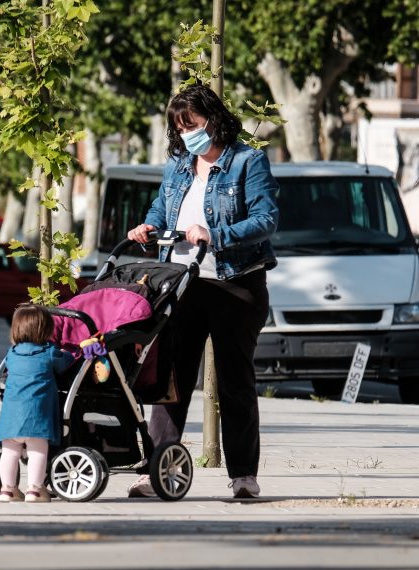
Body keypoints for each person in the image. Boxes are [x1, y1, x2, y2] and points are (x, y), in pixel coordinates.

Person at [126, 84, 279, 499]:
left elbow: (267, 219)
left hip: (235, 285)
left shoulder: (248, 162)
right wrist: (148, 226)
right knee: (169, 380)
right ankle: (158, 470)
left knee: (235, 380)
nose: (186, 133)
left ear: (213, 119)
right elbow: (162, 207)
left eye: (191, 124)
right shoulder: (178, 165)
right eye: (180, 127)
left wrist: (217, 234)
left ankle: (243, 475)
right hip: (183, 284)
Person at [0, 304, 75, 503]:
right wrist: (69, 353)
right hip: (37, 417)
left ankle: (7, 489)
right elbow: (66, 363)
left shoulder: (11, 353)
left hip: (10, 418)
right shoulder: (49, 352)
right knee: (37, 451)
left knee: (9, 453)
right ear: (46, 330)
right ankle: (35, 489)